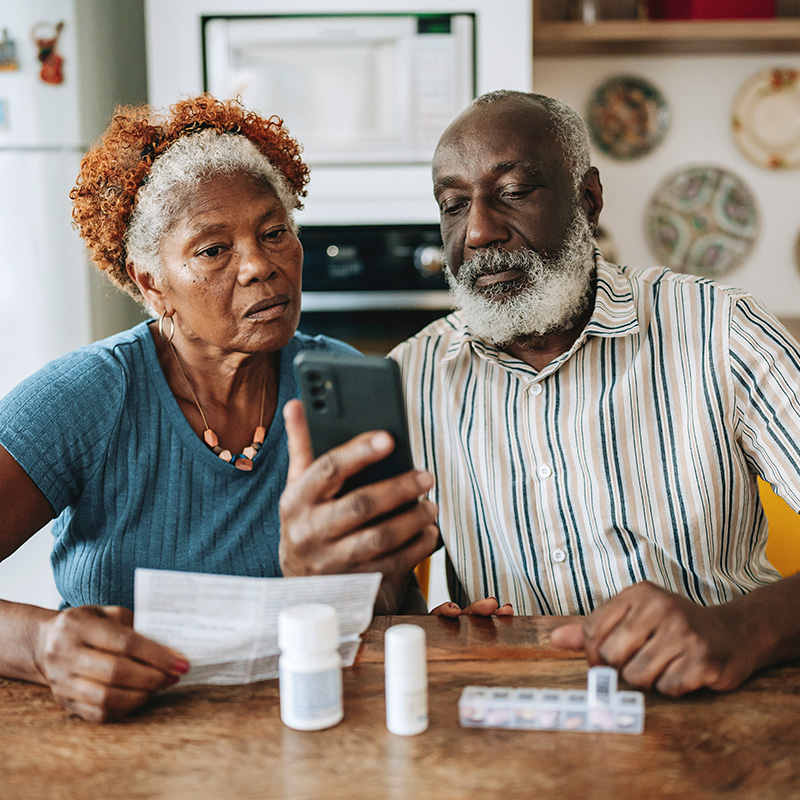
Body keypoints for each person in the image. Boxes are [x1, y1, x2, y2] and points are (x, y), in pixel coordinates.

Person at [280, 89, 800, 697]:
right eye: (452, 204)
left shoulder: (718, 331)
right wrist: (372, 593)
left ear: (589, 199)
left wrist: (738, 629)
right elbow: (384, 596)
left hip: (721, 712)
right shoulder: (414, 377)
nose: (476, 230)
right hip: (523, 725)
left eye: (515, 192)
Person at [0, 95, 438, 723]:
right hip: (129, 747)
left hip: (314, 730)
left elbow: (398, 605)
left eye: (274, 232)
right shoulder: (86, 396)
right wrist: (41, 646)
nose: (261, 266)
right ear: (152, 284)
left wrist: (345, 584)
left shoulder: (341, 385)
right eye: (213, 250)